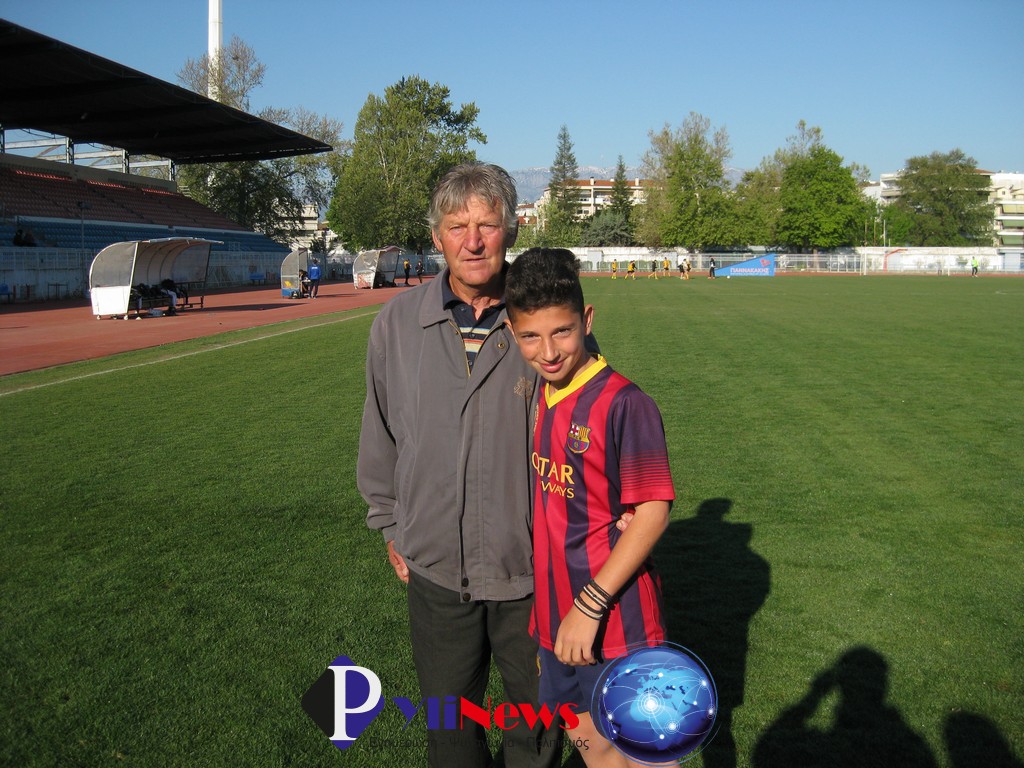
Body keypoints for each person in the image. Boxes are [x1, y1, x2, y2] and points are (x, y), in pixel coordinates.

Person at [357, 161, 562, 768]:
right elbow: (380, 432)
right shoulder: (398, 322)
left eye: (486, 225)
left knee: (537, 729)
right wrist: (390, 524)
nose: (473, 241)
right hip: (437, 569)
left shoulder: (546, 321)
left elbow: (593, 430)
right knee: (450, 730)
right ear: (437, 237)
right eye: (456, 226)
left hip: (532, 572)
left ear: (510, 231)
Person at [504, 248, 675, 768]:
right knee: (592, 746)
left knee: (646, 754)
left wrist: (590, 605)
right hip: (555, 618)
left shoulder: (625, 403)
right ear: (512, 333)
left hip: (613, 617)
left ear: (588, 320)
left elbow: (652, 512)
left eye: (562, 331)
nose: (548, 351)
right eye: (530, 337)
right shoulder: (540, 393)